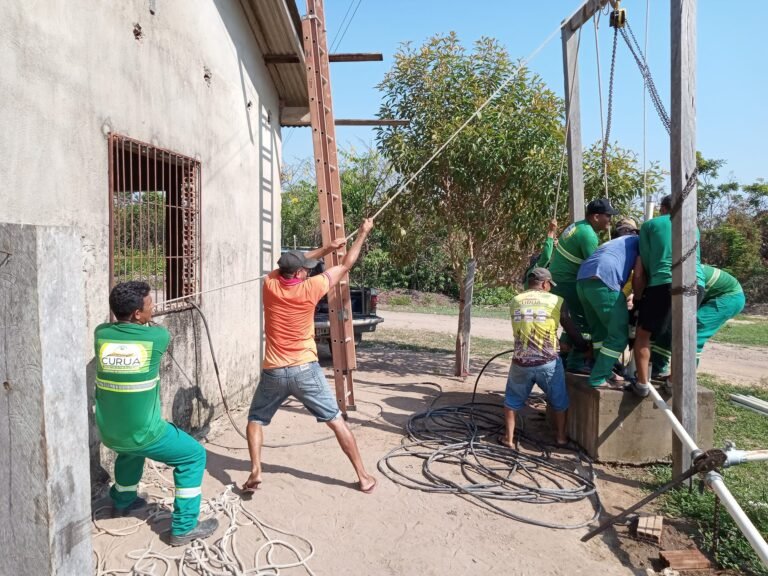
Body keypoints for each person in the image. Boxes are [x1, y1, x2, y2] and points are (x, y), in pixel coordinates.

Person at [242, 219, 377, 494]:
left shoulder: (269, 284)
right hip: (305, 370)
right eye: (305, 269)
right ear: (301, 273)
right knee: (336, 420)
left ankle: (256, 468)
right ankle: (363, 477)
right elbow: (347, 264)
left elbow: (295, 263)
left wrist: (326, 248)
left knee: (255, 419)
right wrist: (363, 233)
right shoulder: (312, 287)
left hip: (274, 371)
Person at [95, 281, 217, 546]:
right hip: (145, 433)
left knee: (129, 450)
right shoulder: (157, 338)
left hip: (110, 432)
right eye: (150, 304)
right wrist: (148, 320)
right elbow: (157, 330)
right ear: (138, 314)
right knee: (194, 455)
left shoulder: (101, 334)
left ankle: (123, 501)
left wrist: (141, 316)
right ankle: (184, 527)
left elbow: (126, 326)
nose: (155, 307)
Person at [500, 268, 591, 448]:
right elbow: (570, 328)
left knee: (511, 401)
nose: (550, 288)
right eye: (550, 284)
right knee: (559, 400)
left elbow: (529, 328)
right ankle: (561, 438)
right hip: (547, 363)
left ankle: (508, 439)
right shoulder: (557, 301)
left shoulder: (515, 301)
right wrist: (583, 347)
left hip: (521, 361)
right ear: (544, 283)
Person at [629, 195, 705, 397]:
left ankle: (642, 384)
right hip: (697, 284)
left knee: (643, 334)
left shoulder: (651, 225)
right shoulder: (693, 227)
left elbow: (642, 265)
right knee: (683, 335)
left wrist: (638, 298)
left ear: (662, 209)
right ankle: (673, 381)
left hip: (664, 282)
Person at [548, 198, 618, 372]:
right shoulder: (588, 235)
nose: (610, 220)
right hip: (568, 281)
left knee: (571, 319)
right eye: (607, 216)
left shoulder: (577, 226)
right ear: (595, 217)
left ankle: (565, 355)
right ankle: (577, 362)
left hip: (560, 279)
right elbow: (596, 266)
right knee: (586, 320)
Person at [576, 217, 640, 388]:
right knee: (619, 336)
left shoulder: (614, 243)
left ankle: (604, 369)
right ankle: (599, 376)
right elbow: (639, 274)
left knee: (599, 333)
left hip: (583, 281)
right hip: (604, 280)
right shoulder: (640, 242)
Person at [696, 265, 745, 360]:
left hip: (729, 297)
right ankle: (660, 367)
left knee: (693, 330)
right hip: (718, 295)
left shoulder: (677, 272)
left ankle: (686, 372)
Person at [522, 218, 558, 289]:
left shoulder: (530, 277)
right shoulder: (534, 271)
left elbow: (552, 258)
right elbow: (546, 257)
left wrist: (556, 247)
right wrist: (551, 232)